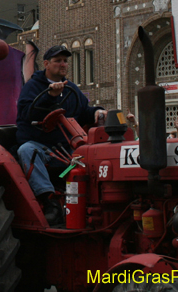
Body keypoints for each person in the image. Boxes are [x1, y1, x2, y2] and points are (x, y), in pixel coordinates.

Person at [16, 45, 106, 225]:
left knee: (92, 154)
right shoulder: (32, 87)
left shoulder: (71, 89)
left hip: (65, 149)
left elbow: (84, 111)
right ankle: (50, 202)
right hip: (40, 146)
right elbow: (27, 113)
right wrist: (50, 96)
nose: (63, 64)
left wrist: (97, 112)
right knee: (27, 150)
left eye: (65, 61)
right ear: (47, 64)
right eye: (58, 61)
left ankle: (96, 201)